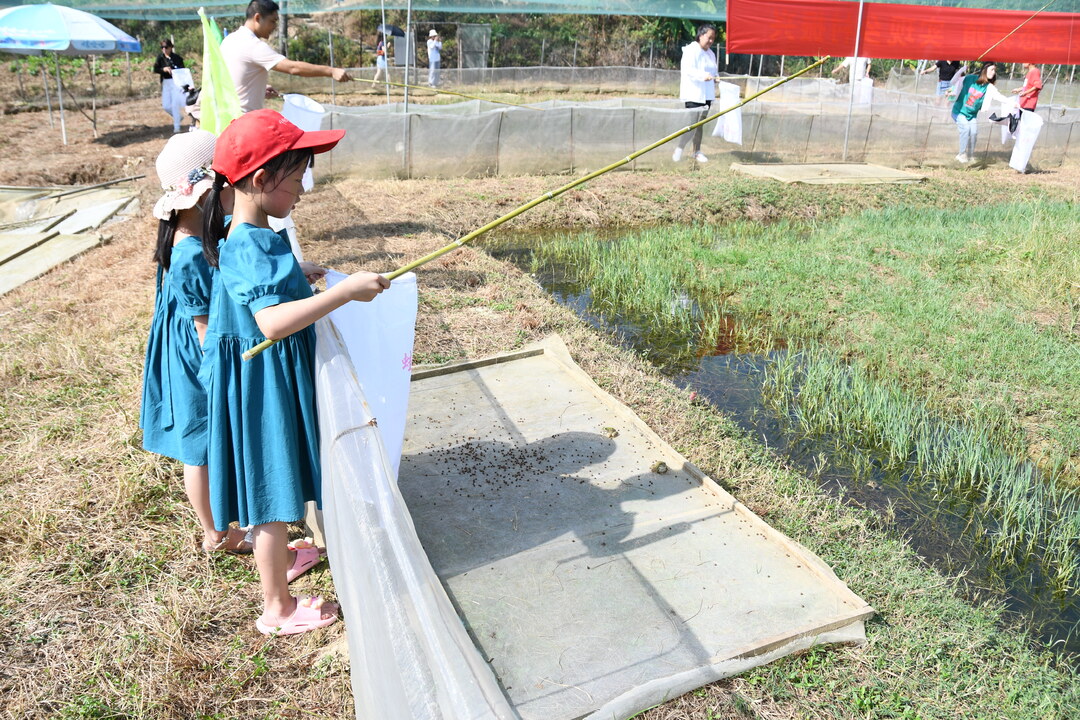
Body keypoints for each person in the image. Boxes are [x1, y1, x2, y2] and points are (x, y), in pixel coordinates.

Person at [200, 109, 390, 635]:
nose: (304, 188)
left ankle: (282, 562)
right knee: (270, 487)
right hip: (261, 387)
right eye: (299, 174)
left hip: (267, 376)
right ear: (262, 180)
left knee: (276, 480)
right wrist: (341, 293)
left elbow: (263, 290)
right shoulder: (246, 242)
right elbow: (272, 321)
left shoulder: (260, 232)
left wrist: (297, 276)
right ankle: (277, 607)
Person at [142, 130, 251, 556]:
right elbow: (207, 331)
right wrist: (227, 372)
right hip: (195, 360)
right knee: (200, 446)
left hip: (184, 349)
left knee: (201, 443)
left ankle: (219, 526)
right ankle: (216, 533)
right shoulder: (190, 254)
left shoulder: (187, 238)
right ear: (207, 195)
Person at [219, 0, 353, 113]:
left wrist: (257, 89)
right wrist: (331, 71)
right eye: (272, 21)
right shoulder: (253, 45)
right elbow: (293, 68)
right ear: (258, 18)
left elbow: (232, 77)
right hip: (243, 123)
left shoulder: (229, 40)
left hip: (226, 116)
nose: (275, 27)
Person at [672, 23, 719, 164]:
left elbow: (713, 70)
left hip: (707, 94)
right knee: (692, 124)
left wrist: (716, 77)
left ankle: (696, 151)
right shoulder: (691, 50)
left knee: (701, 124)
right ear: (701, 35)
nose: (711, 41)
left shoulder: (711, 53)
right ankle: (679, 149)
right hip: (694, 93)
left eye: (713, 39)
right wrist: (702, 75)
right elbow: (688, 70)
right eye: (709, 38)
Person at [951, 61, 1010, 163]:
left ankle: (970, 156)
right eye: (992, 69)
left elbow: (999, 96)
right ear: (984, 69)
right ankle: (961, 154)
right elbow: (953, 81)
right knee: (965, 128)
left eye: (994, 70)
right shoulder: (969, 78)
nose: (993, 72)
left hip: (971, 115)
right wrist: (962, 69)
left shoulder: (989, 87)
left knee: (973, 132)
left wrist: (1013, 103)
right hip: (959, 111)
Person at [153, 39, 186, 133]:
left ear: (171, 47)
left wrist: (174, 70)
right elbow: (155, 69)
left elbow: (182, 70)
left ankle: (177, 127)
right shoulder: (160, 58)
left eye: (166, 47)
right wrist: (163, 69)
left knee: (175, 105)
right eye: (162, 47)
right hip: (166, 82)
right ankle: (178, 117)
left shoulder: (177, 58)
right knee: (166, 106)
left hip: (175, 82)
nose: (164, 49)